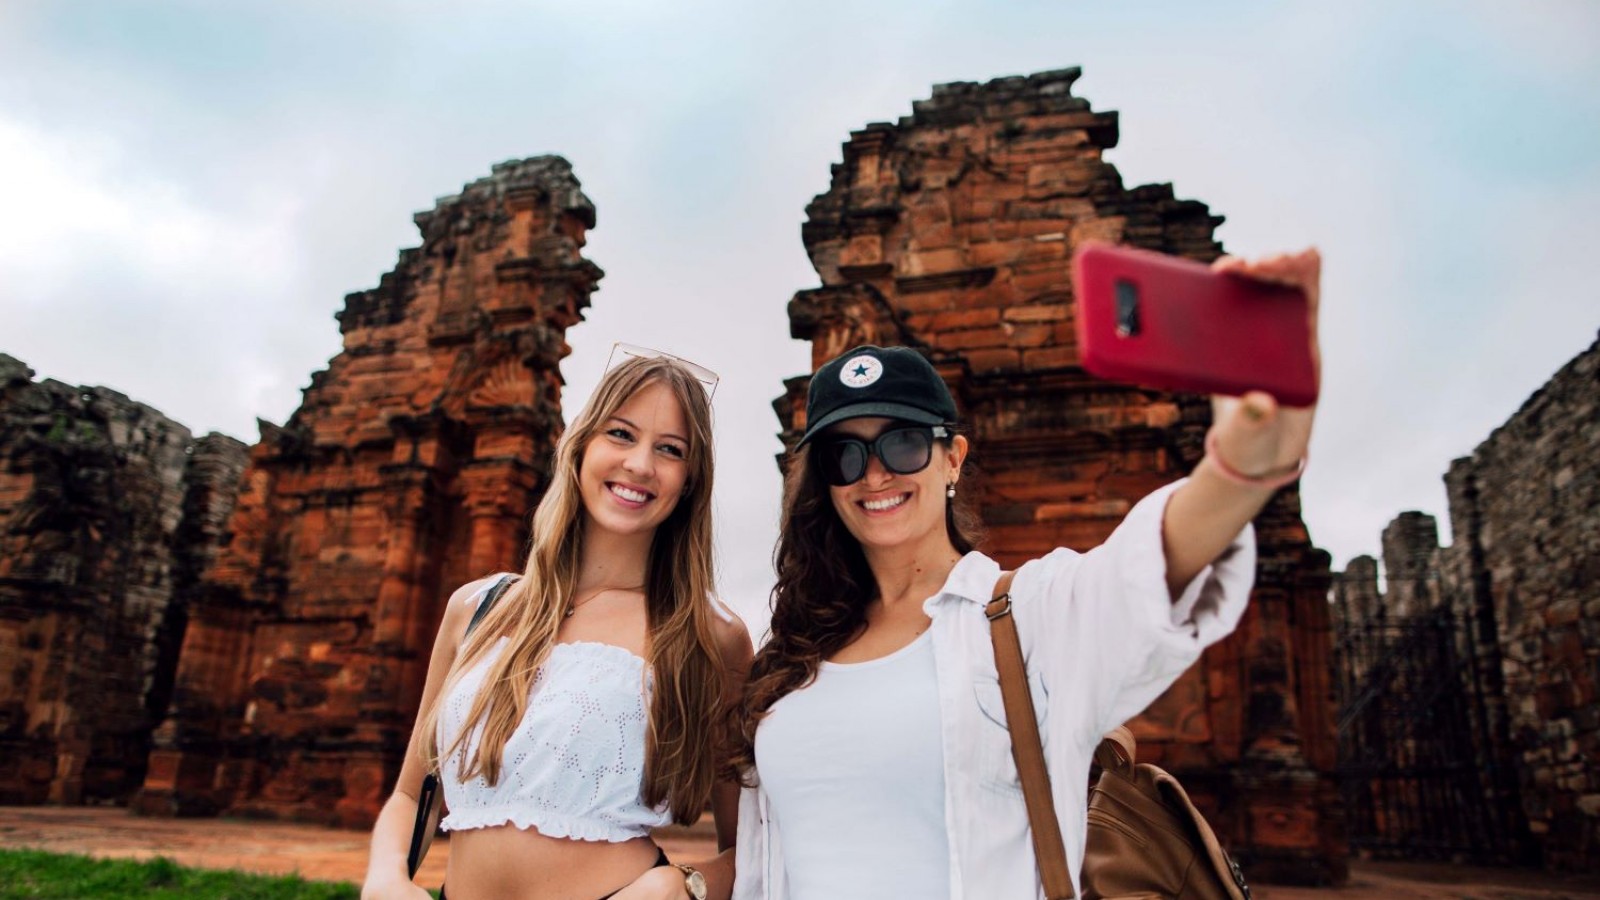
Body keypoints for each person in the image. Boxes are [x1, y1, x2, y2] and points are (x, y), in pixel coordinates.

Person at [730, 250, 1323, 900]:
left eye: (901, 443)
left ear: (951, 457)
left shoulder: (1025, 618)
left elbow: (1149, 568)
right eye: (845, 455)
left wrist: (1241, 466)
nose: (874, 474)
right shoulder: (793, 654)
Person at [363, 352, 753, 900]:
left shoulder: (709, 635)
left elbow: (755, 847)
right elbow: (411, 795)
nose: (641, 464)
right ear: (581, 446)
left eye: (670, 449)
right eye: (621, 433)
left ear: (689, 481)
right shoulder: (476, 607)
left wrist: (680, 886)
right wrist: (385, 880)